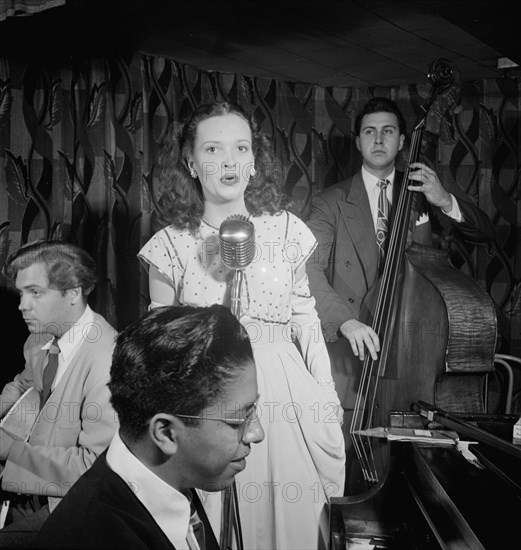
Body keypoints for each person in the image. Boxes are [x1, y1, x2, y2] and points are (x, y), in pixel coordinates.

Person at [138, 102, 345, 550]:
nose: (229, 161)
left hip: (285, 394)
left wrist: (325, 394)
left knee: (293, 523)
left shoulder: (287, 230)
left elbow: (305, 316)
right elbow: (159, 339)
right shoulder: (169, 245)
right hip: (209, 395)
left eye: (241, 148)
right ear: (191, 163)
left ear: (254, 161)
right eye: (213, 149)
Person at [305, 96, 495, 414]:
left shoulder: (424, 192)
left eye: (388, 131)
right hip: (350, 363)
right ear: (357, 141)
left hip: (415, 359)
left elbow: (483, 234)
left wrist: (445, 200)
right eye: (369, 132)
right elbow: (307, 268)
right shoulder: (330, 202)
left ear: (402, 140)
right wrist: (346, 321)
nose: (378, 140)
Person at [31, 304, 264, 549]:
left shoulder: (172, 477)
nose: (256, 433)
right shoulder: (94, 537)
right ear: (165, 433)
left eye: (253, 411)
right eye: (238, 420)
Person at [0, 240, 119, 546]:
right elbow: (25, 387)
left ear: (74, 293)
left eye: (35, 292)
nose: (22, 305)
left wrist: (8, 451)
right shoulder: (39, 339)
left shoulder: (107, 359)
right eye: (21, 292)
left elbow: (95, 468)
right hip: (29, 491)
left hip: (75, 505)